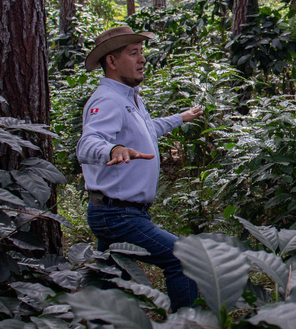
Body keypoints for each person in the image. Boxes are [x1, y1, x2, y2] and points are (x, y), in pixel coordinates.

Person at [76, 26, 204, 312]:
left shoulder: (128, 97)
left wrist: (179, 118)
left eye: (141, 53)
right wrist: (112, 149)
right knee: (184, 258)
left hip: (117, 212)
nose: (142, 59)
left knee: (111, 283)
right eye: (133, 53)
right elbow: (87, 145)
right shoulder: (108, 100)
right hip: (117, 215)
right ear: (111, 61)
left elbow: (147, 129)